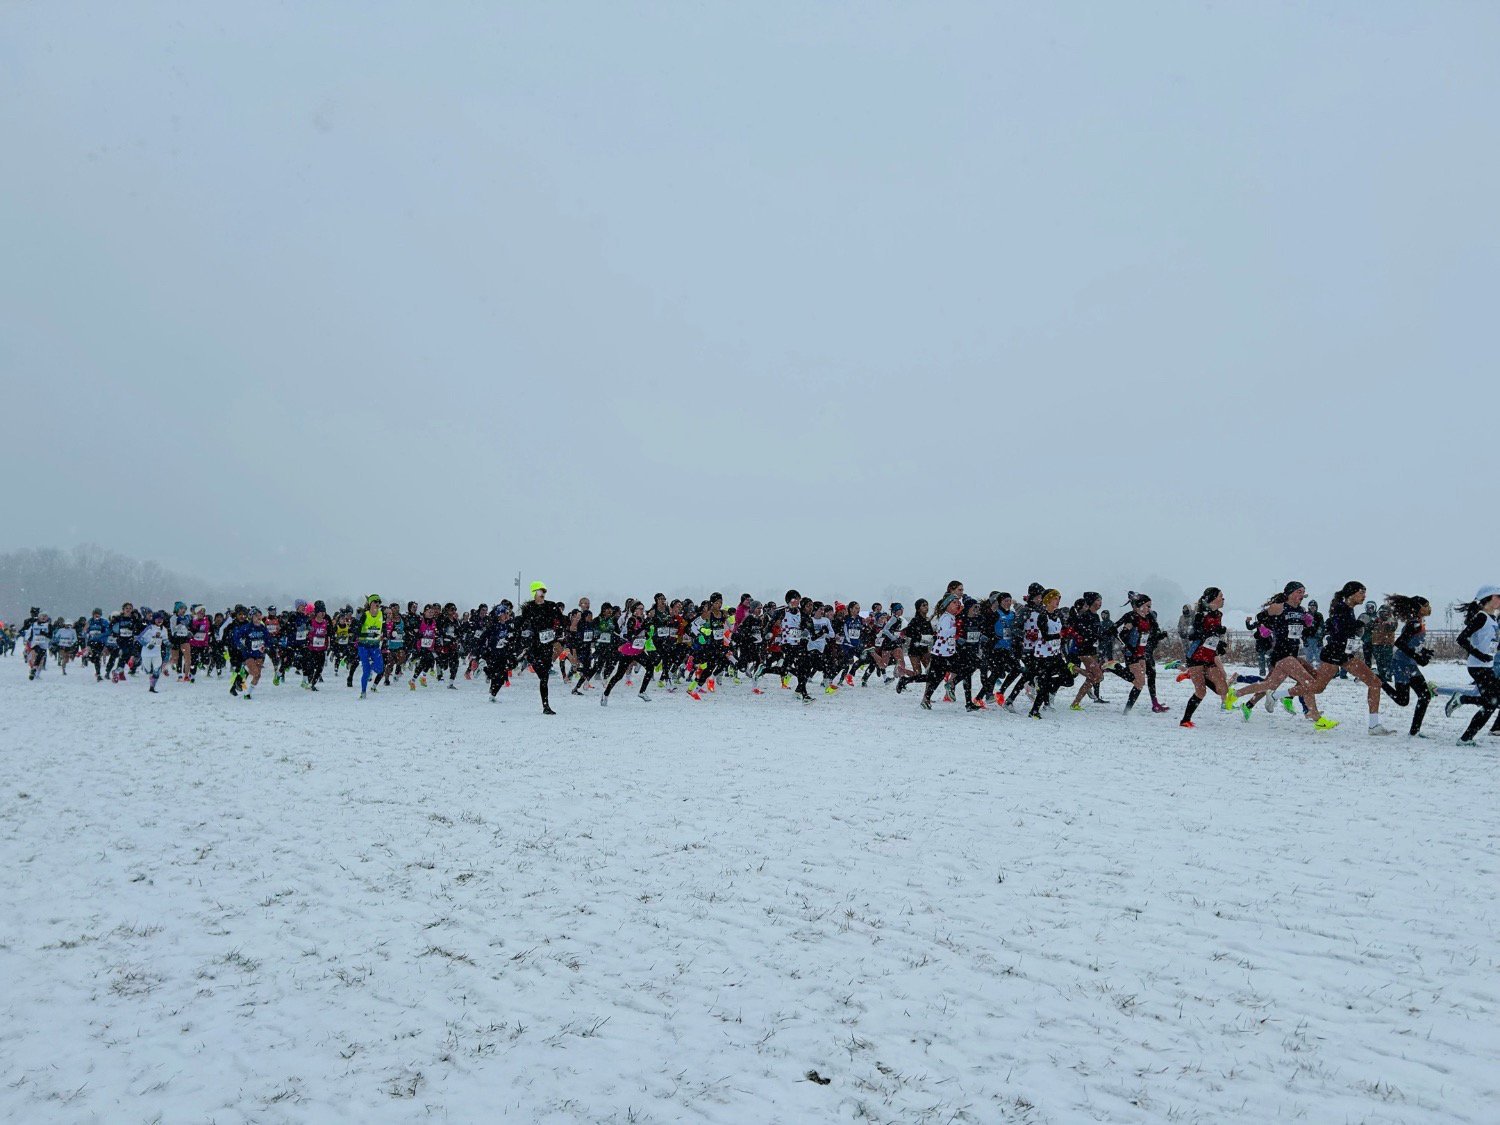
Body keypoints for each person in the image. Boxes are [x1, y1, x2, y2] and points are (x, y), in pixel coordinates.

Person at [1293, 582, 1395, 735]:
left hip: (1344, 654)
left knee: (1374, 683)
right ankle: (1277, 695)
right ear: (1351, 594)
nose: (1364, 596)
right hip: (1335, 653)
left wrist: (1361, 627)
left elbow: (1345, 630)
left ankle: (1374, 726)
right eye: (1361, 593)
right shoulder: (1341, 608)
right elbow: (1342, 630)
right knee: (1317, 687)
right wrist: (1360, 623)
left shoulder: (1347, 608)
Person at [1444, 585, 1500, 744]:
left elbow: (1491, 643)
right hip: (1477, 667)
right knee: (1491, 703)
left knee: (1492, 703)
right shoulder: (1481, 617)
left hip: (1486, 666)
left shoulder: (1492, 619)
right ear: (1488, 598)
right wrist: (1479, 655)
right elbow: (1462, 638)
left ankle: (1466, 736)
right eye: (1498, 596)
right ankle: (1462, 701)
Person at [1179, 588, 1234, 728]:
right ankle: (1185, 720)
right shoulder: (1200, 614)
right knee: (1201, 692)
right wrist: (1214, 631)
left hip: (1209, 656)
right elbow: (1193, 635)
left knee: (1223, 689)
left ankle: (1192, 675)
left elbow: (1213, 636)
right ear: (1213, 599)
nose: (1223, 599)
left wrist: (1219, 644)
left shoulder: (1219, 614)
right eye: (1221, 596)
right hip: (1196, 656)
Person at [1384, 594, 1436, 738]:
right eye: (1426, 605)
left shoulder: (1418, 622)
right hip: (1401, 664)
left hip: (1410, 664)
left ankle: (1414, 731)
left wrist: (1423, 652)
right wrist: (1417, 657)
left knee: (1425, 696)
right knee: (1403, 700)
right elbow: (1400, 643)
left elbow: (1412, 643)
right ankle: (1380, 680)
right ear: (1419, 608)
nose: (1429, 608)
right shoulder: (1414, 624)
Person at [138, 611, 169, 693]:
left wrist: (168, 644)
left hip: (157, 654)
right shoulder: (150, 628)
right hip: (146, 654)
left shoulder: (164, 629)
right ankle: (144, 667)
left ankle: (152, 687)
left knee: (157, 670)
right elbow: (139, 638)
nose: (159, 620)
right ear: (154, 619)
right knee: (148, 671)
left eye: (161, 619)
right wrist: (147, 644)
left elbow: (165, 639)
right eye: (157, 619)